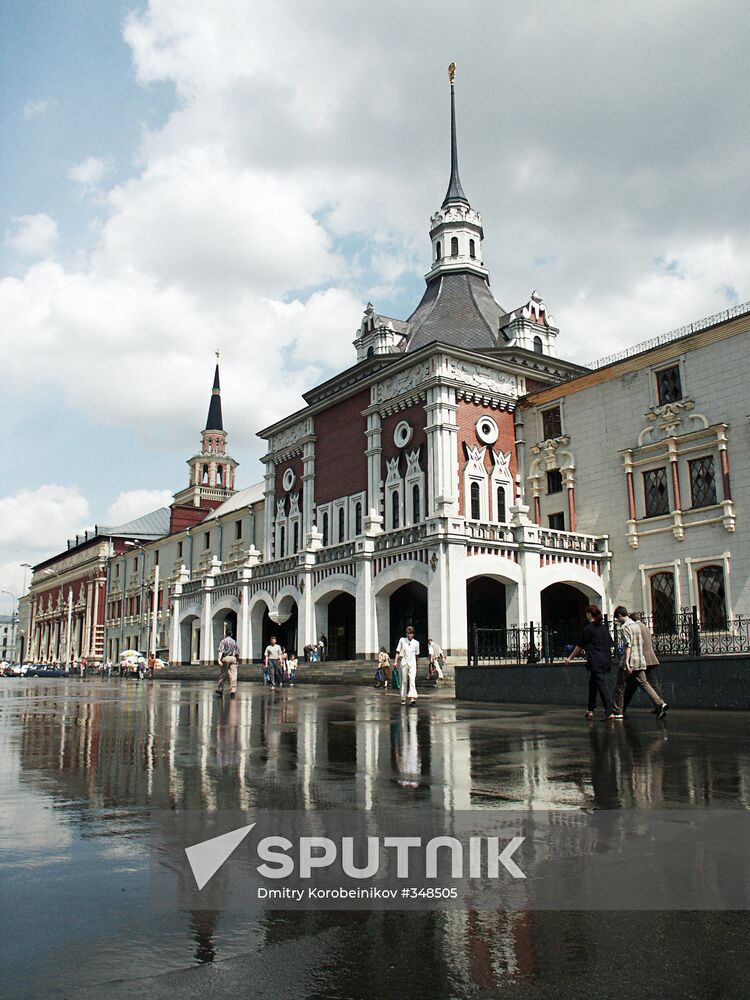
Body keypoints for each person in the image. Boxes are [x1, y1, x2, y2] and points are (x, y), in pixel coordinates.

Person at [612, 606, 668, 719]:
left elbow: (628, 645)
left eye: (617, 619)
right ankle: (660, 703)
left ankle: (618, 711)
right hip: (640, 659)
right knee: (645, 683)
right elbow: (641, 642)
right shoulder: (636, 626)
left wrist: (627, 662)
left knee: (619, 686)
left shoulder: (624, 627)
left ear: (620, 615)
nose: (618, 621)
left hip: (629, 660)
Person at [565, 605, 615, 719]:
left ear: (589, 614)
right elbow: (610, 643)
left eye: (586, 614)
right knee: (593, 685)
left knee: (602, 686)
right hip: (605, 659)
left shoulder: (588, 629)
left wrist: (570, 657)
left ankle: (609, 711)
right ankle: (590, 709)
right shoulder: (603, 628)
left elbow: (579, 645)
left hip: (595, 660)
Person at [620, 615, 665, 714]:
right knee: (652, 684)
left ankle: (621, 708)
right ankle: (660, 705)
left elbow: (634, 644)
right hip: (650, 658)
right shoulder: (645, 626)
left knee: (631, 686)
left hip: (641, 660)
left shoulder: (635, 627)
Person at [394, 625, 420, 707]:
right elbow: (398, 651)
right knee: (404, 681)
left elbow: (416, 655)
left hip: (412, 664)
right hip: (404, 663)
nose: (409, 635)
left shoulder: (416, 643)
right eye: (408, 633)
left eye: (411, 633)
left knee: (412, 680)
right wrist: (395, 662)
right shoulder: (402, 640)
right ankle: (403, 697)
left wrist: (417, 665)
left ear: (413, 634)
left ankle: (413, 698)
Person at [216, 630, 240, 698]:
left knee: (223, 674)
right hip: (233, 658)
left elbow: (221, 650)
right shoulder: (234, 641)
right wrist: (237, 660)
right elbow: (238, 652)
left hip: (225, 658)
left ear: (225, 634)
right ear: (231, 634)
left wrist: (219, 660)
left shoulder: (223, 641)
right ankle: (233, 689)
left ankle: (220, 689)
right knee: (233, 675)